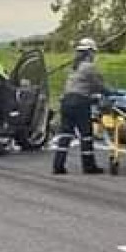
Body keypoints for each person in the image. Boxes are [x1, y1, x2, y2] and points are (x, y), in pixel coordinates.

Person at [52, 38, 106, 175]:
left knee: (65, 134)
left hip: (66, 102)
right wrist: (112, 93)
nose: (94, 56)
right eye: (93, 53)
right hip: (80, 103)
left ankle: (58, 165)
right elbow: (99, 86)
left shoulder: (74, 67)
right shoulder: (89, 67)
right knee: (86, 135)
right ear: (89, 53)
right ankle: (89, 167)